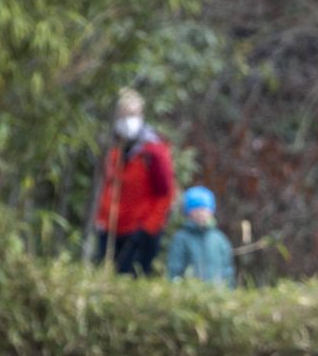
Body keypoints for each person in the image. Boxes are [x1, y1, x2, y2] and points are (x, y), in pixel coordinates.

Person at [94, 88, 176, 277]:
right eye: (124, 114)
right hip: (111, 230)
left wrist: (148, 228)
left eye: (133, 114)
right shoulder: (112, 148)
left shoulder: (154, 151)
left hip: (140, 233)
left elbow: (165, 194)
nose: (128, 119)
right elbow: (107, 187)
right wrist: (102, 219)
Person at [167, 187, 236, 288]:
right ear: (188, 212)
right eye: (196, 209)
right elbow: (174, 269)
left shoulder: (219, 239)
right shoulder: (181, 239)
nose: (201, 213)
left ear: (211, 211)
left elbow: (227, 270)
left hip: (217, 296)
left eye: (204, 209)